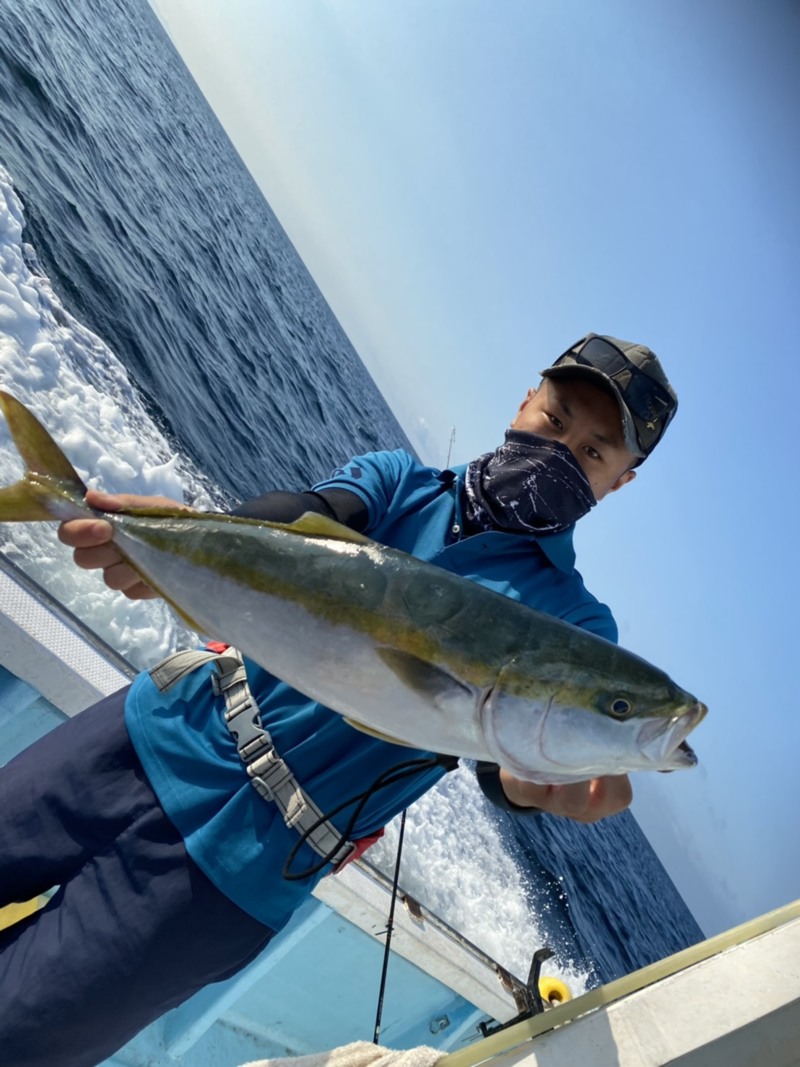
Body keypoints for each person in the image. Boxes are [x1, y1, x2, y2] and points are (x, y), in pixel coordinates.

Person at [0, 332, 678, 1066]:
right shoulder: (399, 481)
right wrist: (159, 541)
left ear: (622, 480)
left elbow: (499, 757)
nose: (561, 449)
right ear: (526, 399)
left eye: (594, 451)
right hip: (146, 734)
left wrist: (552, 789)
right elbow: (297, 519)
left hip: (236, 871)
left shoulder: (575, 627)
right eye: (557, 417)